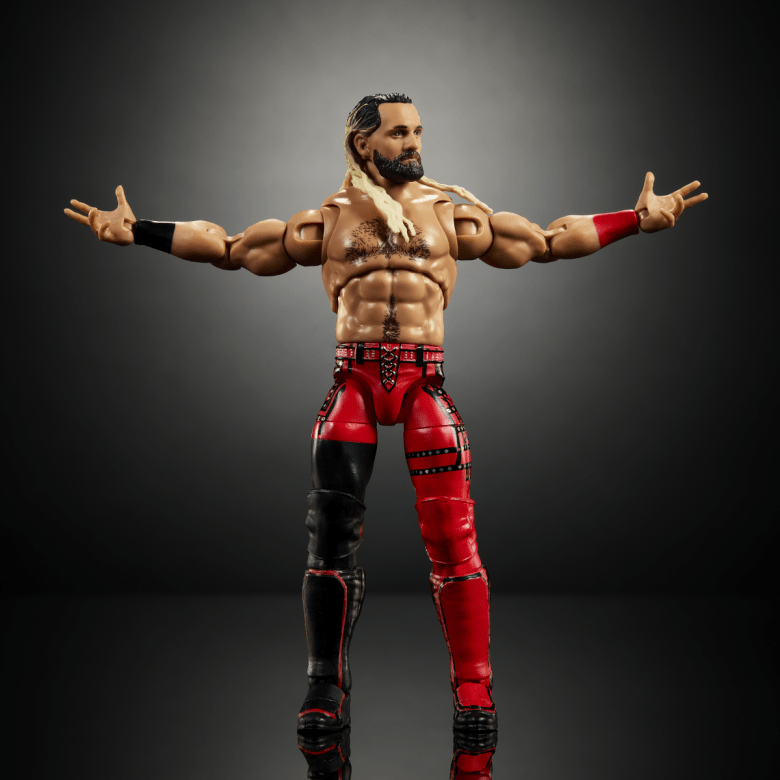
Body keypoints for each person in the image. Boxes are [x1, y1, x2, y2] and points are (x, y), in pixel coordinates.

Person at [65, 93, 707, 734]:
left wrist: (635, 219)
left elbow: (545, 240)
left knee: (455, 542)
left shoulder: (452, 215)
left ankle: (474, 689)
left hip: (425, 383)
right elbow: (231, 247)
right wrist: (138, 230)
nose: (414, 142)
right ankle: (324, 686)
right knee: (329, 543)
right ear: (363, 143)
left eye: (418, 130)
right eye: (400, 132)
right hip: (356, 381)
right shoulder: (328, 219)